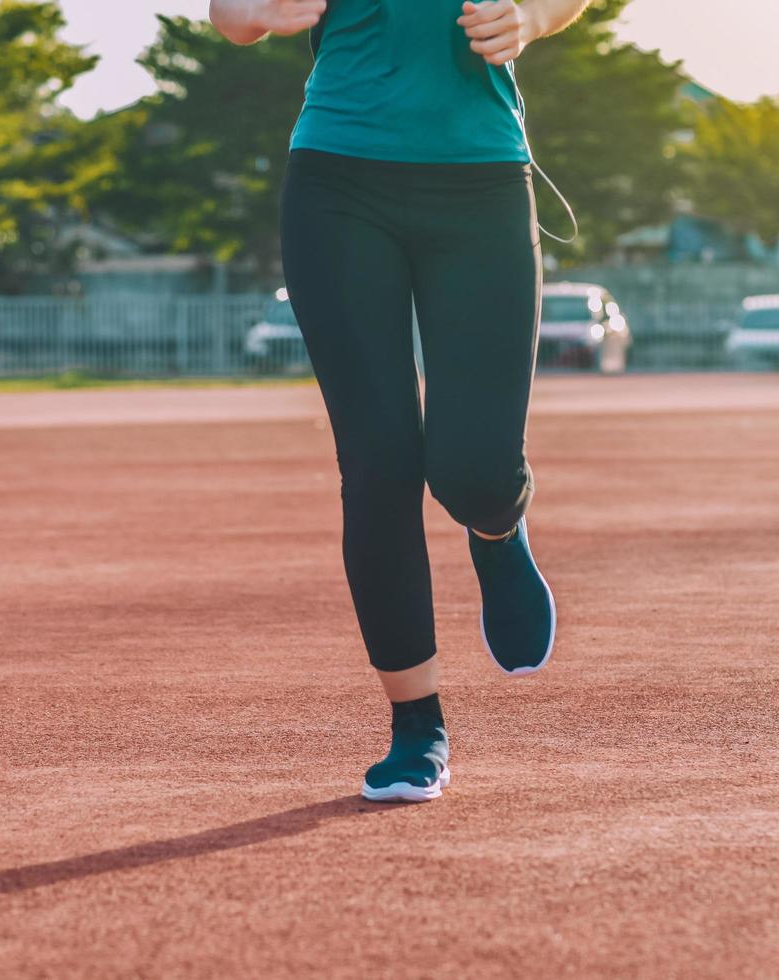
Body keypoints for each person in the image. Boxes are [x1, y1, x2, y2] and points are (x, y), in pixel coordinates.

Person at [210, 0, 590, 803]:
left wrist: (533, 17)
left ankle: (497, 525)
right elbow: (230, 12)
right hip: (337, 182)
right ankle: (417, 727)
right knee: (378, 463)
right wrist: (256, 14)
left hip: (482, 179)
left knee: (473, 467)